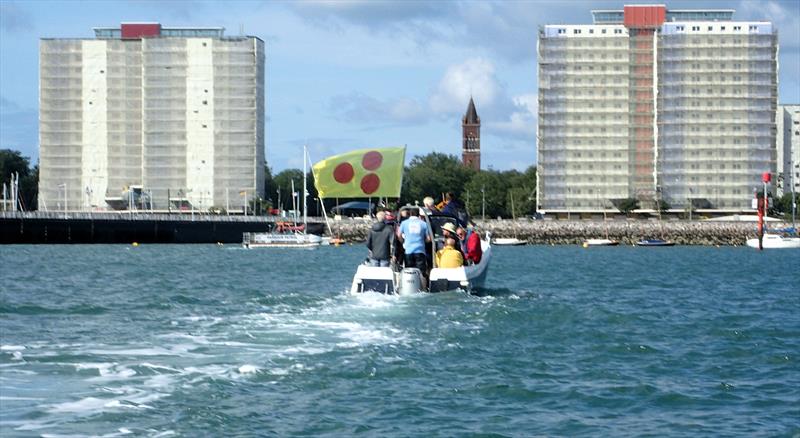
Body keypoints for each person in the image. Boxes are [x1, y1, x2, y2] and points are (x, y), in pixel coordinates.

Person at [398, 208, 431, 283]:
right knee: (421, 272)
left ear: (410, 214)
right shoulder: (424, 224)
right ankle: (422, 286)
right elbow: (429, 238)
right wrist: (423, 242)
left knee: (409, 272)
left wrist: (403, 242)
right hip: (420, 250)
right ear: (418, 214)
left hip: (408, 251)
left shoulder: (404, 223)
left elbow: (399, 235)